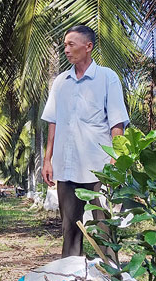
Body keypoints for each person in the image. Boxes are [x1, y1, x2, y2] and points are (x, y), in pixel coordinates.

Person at [41, 25, 129, 258]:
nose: (66, 49)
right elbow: (53, 122)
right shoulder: (61, 82)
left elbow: (117, 124)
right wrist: (47, 159)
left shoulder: (107, 78)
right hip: (67, 167)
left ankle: (112, 276)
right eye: (65, 45)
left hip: (99, 167)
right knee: (69, 229)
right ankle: (72, 276)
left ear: (88, 46)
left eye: (71, 44)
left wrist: (115, 159)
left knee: (104, 227)